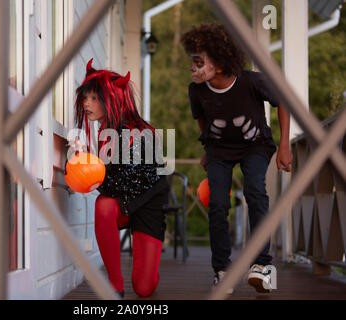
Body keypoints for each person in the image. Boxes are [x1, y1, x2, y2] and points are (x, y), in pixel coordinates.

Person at [181, 23, 293, 293]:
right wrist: (208, 147)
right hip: (219, 149)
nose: (192, 68)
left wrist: (285, 145)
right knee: (217, 204)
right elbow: (202, 119)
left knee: (255, 192)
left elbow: (284, 103)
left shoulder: (251, 81)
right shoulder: (196, 91)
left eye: (199, 63)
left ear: (219, 64)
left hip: (255, 146)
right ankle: (222, 269)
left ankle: (262, 266)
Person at [69, 59, 169, 298]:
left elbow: (127, 182)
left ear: (113, 99)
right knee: (103, 204)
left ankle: (148, 260)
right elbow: (107, 180)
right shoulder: (104, 131)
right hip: (121, 204)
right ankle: (114, 282)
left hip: (146, 205)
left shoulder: (143, 132)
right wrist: (79, 162)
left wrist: (89, 169)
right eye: (85, 97)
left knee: (145, 288)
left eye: (94, 98)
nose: (86, 103)